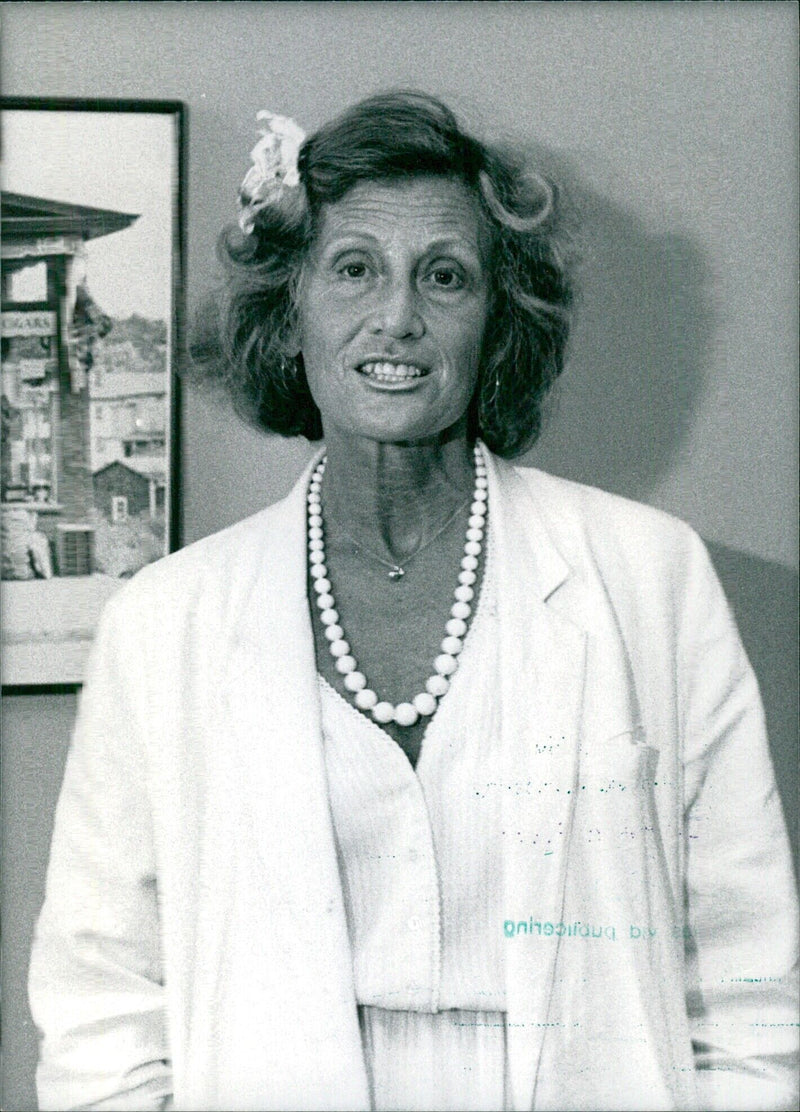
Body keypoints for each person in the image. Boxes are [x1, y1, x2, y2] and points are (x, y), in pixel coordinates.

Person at [29, 91, 798, 1112]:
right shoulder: (164, 621)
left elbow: (748, 978)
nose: (396, 315)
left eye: (443, 275)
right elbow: (100, 1005)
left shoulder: (647, 575)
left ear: (495, 317)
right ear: (289, 303)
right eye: (353, 268)